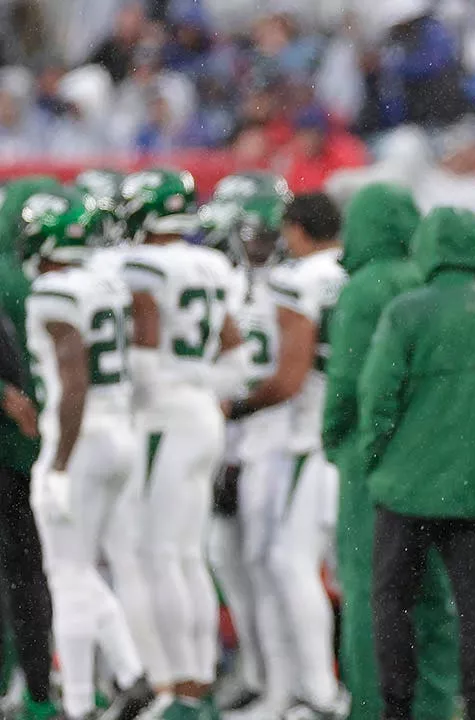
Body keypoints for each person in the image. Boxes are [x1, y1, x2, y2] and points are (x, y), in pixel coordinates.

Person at [362, 206, 475, 720]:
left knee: (394, 604)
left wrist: (376, 462)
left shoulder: (405, 311)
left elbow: (378, 398)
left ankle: (398, 707)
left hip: (405, 487)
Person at [320, 184, 459, 720]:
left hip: (372, 461)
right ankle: (435, 706)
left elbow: (349, 379)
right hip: (433, 458)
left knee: (371, 595)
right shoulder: (429, 281)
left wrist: (336, 441)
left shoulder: (364, 289)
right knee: (430, 600)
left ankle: (373, 707)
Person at [19, 189, 156, 720]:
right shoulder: (107, 280)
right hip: (117, 431)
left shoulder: (54, 290)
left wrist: (58, 461)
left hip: (81, 437)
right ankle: (116, 680)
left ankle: (101, 689)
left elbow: (73, 381)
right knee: (78, 569)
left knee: (68, 573)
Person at [118, 168, 248, 720]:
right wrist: (203, 391)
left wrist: (139, 400)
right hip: (200, 412)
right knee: (187, 554)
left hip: (164, 415)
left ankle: (177, 688)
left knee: (156, 553)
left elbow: (145, 345)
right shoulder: (211, 264)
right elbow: (235, 351)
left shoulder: (143, 265)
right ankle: (197, 682)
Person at [223, 193, 350, 720]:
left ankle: (320, 693)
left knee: (288, 564)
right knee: (347, 573)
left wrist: (238, 404)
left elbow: (290, 377)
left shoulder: (297, 280)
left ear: (296, 231)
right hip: (355, 437)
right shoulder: (356, 272)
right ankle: (336, 690)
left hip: (308, 439)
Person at [206, 194, 293, 716]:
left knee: (271, 569)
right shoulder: (233, 283)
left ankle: (288, 684)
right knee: (233, 564)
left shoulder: (279, 285)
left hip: (267, 439)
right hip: (237, 441)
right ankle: (259, 672)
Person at [0, 175, 58, 720]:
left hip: (12, 445)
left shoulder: (7, 277)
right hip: (63, 439)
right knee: (45, 572)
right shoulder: (73, 274)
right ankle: (49, 685)